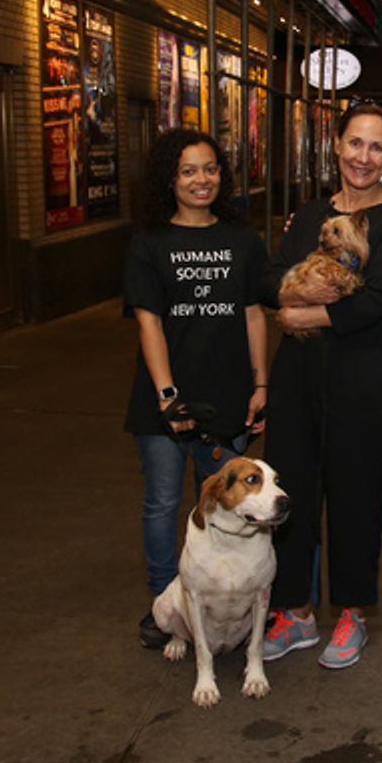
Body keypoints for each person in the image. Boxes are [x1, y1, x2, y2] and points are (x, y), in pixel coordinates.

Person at [260, 100, 382, 670]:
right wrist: (298, 294)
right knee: (290, 492)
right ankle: (294, 612)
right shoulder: (308, 214)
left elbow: (378, 299)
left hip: (358, 378)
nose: (364, 157)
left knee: (356, 494)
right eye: (356, 143)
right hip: (295, 379)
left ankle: (352, 613)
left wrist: (302, 315)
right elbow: (271, 277)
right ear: (336, 145)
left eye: (377, 147)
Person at [123, 128, 269, 649]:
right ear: (170, 179)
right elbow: (149, 323)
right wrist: (167, 395)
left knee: (229, 504)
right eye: (188, 171)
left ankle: (229, 598)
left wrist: (260, 382)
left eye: (209, 168)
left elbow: (254, 312)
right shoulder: (150, 243)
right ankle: (168, 599)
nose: (200, 179)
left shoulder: (242, 239)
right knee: (162, 503)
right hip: (164, 400)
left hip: (228, 397)